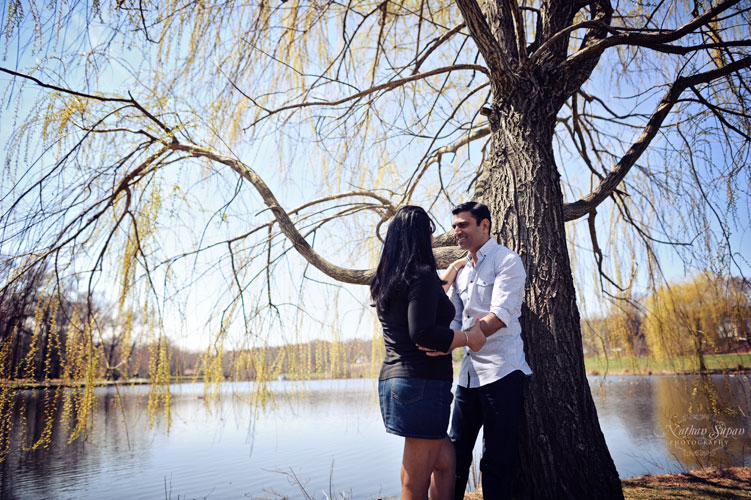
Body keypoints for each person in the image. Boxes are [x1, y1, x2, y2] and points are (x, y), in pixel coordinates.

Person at [371, 205, 485, 500]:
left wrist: (452, 270)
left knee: (446, 462)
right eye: (430, 230)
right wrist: (467, 337)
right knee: (415, 481)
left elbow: (423, 300)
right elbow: (422, 332)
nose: (434, 236)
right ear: (420, 235)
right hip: (420, 383)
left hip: (402, 381)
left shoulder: (393, 275)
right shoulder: (419, 275)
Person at [447, 201, 531, 500]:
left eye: (464, 225)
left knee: (496, 458)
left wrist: (473, 335)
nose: (457, 231)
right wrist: (440, 343)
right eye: (455, 225)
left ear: (485, 225)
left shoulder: (506, 261)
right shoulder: (462, 271)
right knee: (455, 451)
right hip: (468, 375)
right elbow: (456, 317)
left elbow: (501, 313)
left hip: (502, 371)